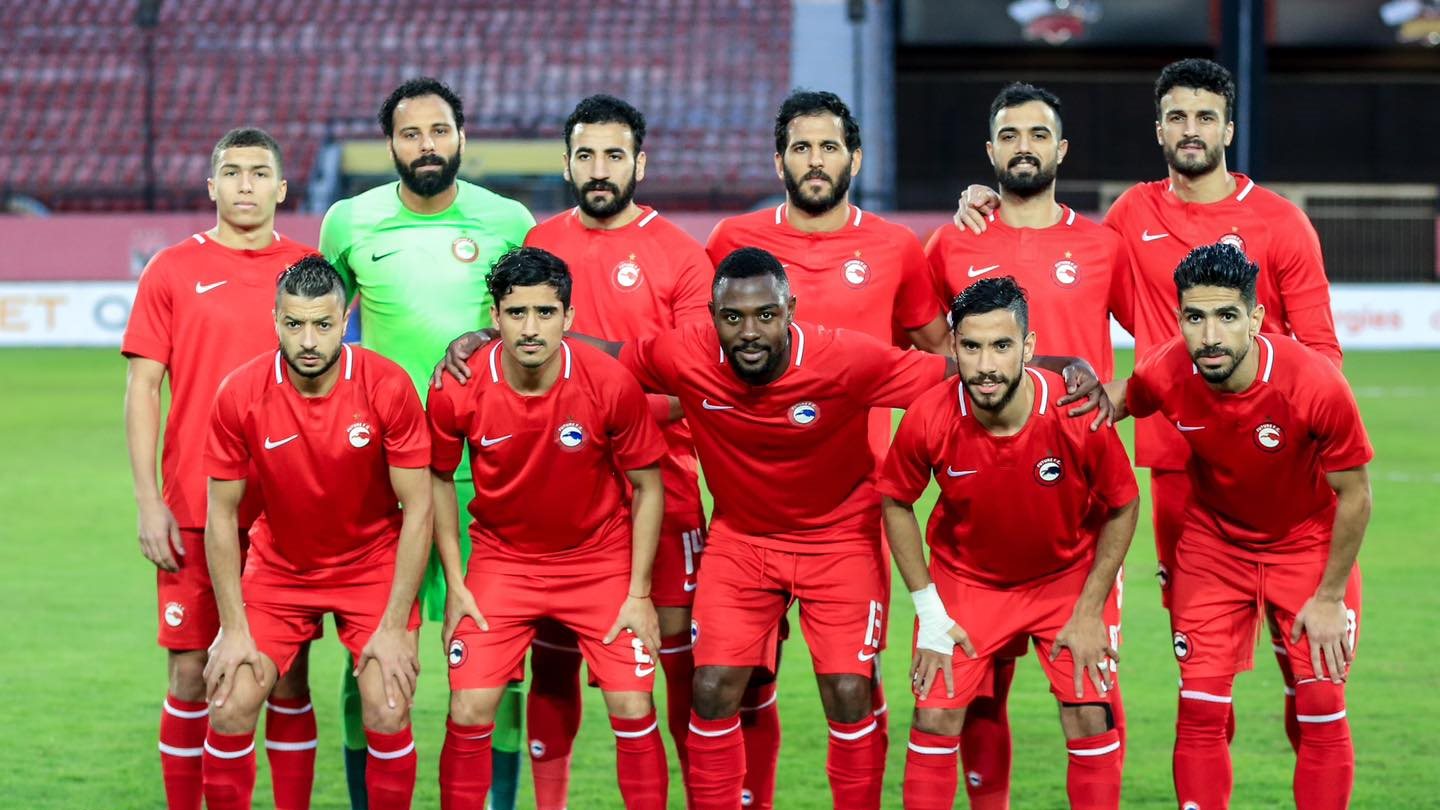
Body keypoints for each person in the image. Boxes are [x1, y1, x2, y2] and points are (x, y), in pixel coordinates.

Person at [433, 249, 1107, 810]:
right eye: (733, 317)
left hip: (839, 538)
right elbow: (609, 351)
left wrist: (1064, 368)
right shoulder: (684, 353)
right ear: (713, 319)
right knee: (710, 689)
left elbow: (957, 370)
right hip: (742, 541)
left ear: (790, 311)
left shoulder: (847, 359)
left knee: (848, 692)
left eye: (765, 315)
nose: (749, 331)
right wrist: (490, 339)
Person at [953, 58, 1343, 753]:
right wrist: (989, 199)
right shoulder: (1132, 216)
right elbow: (1056, 267)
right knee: (1203, 672)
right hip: (1178, 466)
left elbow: (1322, 353)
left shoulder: (1282, 222)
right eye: (1176, 117)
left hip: (1276, 468)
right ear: (1159, 129)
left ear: (1228, 128)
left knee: (1305, 668)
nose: (1191, 130)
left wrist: (1279, 422)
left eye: (1205, 117)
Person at [703, 88, 951, 809]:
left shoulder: (894, 248)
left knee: (850, 685)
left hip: (850, 508)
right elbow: (693, 350)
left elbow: (940, 358)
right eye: (802, 147)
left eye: (830, 147)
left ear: (856, 158)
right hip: (747, 508)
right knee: (737, 682)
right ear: (779, 160)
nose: (816, 161)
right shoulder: (732, 241)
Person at [319, 76, 535, 810]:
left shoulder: (509, 220)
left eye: (439, 131)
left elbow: (536, 322)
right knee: (373, 655)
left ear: (462, 137)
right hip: (382, 478)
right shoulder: (349, 221)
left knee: (495, 661)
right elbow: (315, 327)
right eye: (411, 134)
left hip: (489, 472)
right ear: (390, 144)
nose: (427, 145)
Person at [923, 83, 1131, 807]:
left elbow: (1165, 338)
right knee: (979, 689)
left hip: (1079, 503)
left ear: (1061, 150)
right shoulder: (953, 241)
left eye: (1038, 135)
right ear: (990, 151)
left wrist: (1119, 398)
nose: (1024, 147)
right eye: (1009, 135)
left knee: (1090, 684)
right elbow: (927, 345)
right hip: (978, 497)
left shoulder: (1103, 246)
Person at [1105, 244, 1370, 809]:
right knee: (1199, 709)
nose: (1210, 336)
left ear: (1256, 318)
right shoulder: (1166, 368)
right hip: (1214, 547)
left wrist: (1328, 598)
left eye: (1227, 316)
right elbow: (1127, 397)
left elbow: (1356, 496)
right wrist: (1067, 396)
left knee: (1321, 704)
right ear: (1178, 318)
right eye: (1194, 317)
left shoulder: (1313, 383)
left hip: (1307, 546)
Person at [879, 277, 1138, 810]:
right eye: (971, 347)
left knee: (1089, 711)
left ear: (1028, 346)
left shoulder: (1073, 411)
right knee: (934, 715)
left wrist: (1090, 610)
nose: (986, 366)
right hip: (967, 580)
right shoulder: (929, 414)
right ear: (953, 347)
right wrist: (929, 611)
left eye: (1001, 346)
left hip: (1066, 578)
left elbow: (1124, 503)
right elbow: (895, 501)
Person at [520, 94, 711, 808]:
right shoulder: (540, 244)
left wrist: (598, 401)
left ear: (641, 163)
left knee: (681, 663)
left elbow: (693, 387)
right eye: (585, 155)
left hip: (663, 484)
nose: (599, 169)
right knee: (553, 663)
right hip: (557, 491)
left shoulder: (682, 256)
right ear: (567, 162)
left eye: (614, 154)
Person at [428, 247, 670, 810]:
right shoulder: (457, 387)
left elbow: (649, 486)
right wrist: (456, 584)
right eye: (517, 313)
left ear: (569, 316)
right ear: (495, 316)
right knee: (468, 707)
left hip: (598, 560)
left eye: (545, 312)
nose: (531, 328)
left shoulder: (608, 381)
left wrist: (638, 594)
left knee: (633, 705)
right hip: (503, 562)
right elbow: (436, 479)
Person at [123, 127, 318, 810]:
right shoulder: (172, 269)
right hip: (194, 504)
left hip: (289, 511)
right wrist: (149, 502)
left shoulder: (308, 270)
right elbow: (143, 388)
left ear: (281, 188)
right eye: (232, 172)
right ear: (211, 185)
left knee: (286, 676)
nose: (245, 184)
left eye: (259, 172)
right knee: (188, 674)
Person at [199, 256, 433, 810]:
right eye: (295, 324)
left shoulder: (386, 385)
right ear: (275, 320)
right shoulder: (240, 392)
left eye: (323, 325)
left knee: (388, 706)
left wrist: (395, 626)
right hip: (281, 566)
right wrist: (233, 627)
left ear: (345, 319)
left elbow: (419, 508)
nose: (308, 341)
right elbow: (220, 515)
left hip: (372, 564)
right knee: (229, 703)